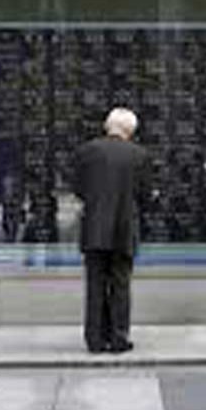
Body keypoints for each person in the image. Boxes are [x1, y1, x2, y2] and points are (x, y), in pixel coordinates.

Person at [74, 108, 150, 354]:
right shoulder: (139, 155)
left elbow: (78, 189)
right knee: (120, 284)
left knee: (95, 284)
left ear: (108, 126)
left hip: (94, 228)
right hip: (124, 228)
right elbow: (145, 194)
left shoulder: (86, 152)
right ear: (129, 130)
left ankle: (94, 339)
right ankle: (118, 337)